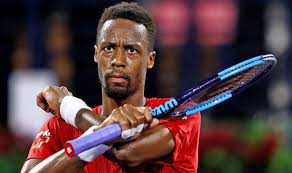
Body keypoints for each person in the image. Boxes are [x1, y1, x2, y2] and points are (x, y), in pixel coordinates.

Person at [21, 2, 201, 173]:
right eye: (109, 48)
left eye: (131, 50)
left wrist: (70, 108)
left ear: (150, 59)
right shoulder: (59, 127)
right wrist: (95, 129)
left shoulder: (181, 114)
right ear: (96, 54)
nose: (118, 61)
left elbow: (127, 152)